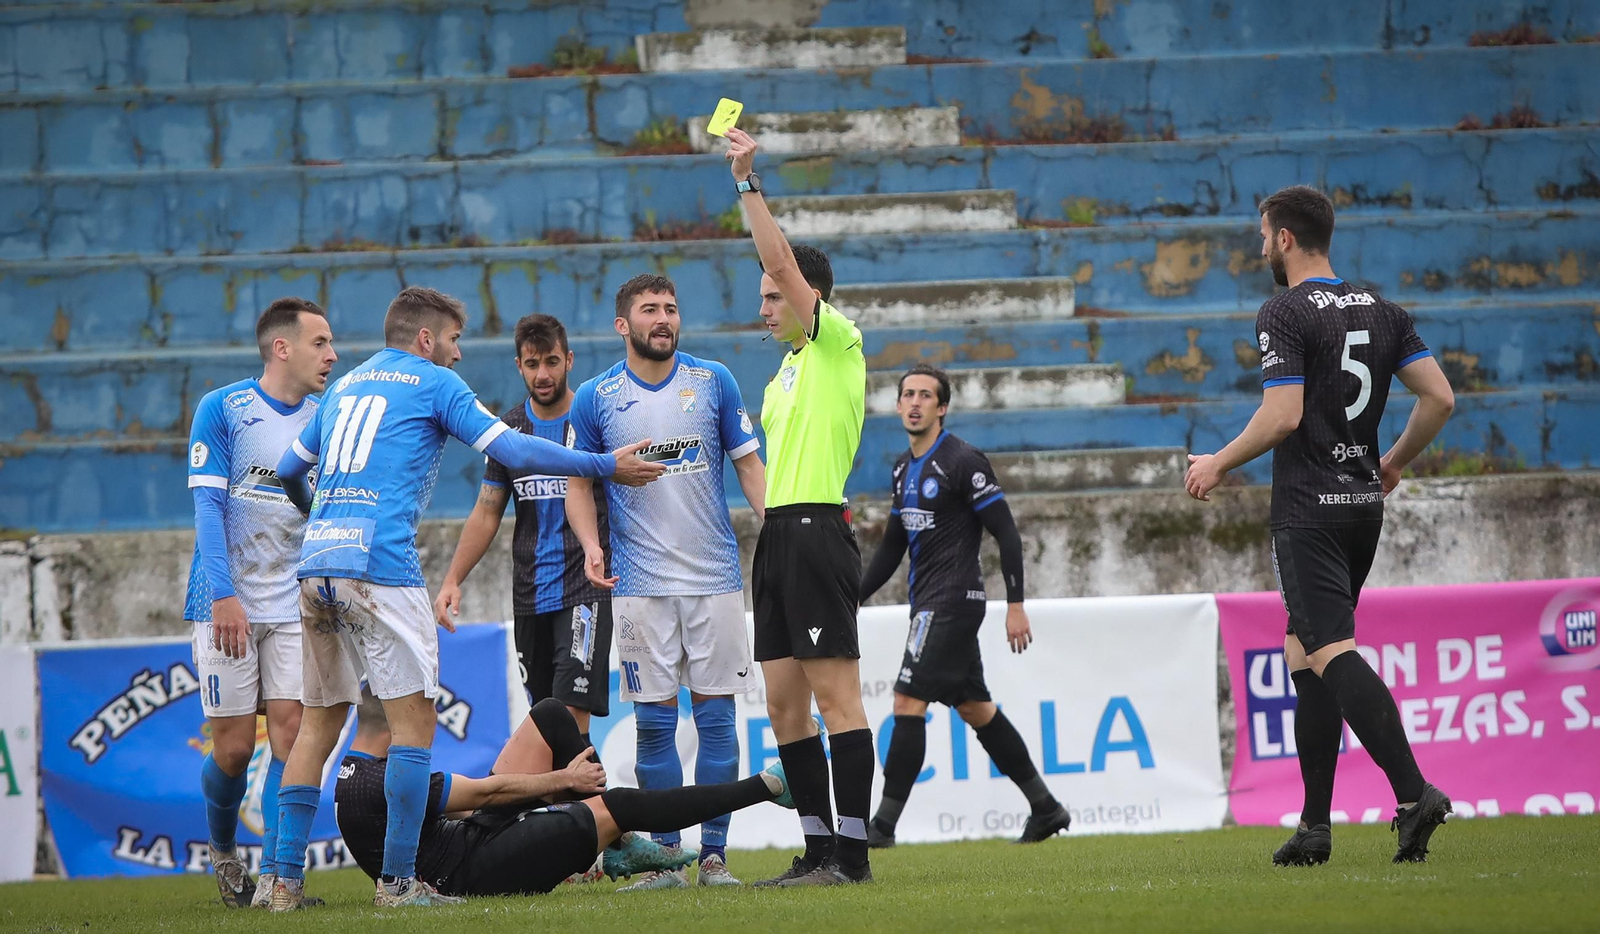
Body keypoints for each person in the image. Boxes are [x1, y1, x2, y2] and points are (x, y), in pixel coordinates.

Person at [267, 286, 666, 911]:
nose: (457, 354)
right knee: (413, 727)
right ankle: (400, 884)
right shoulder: (433, 381)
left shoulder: (344, 386)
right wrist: (602, 464)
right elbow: (513, 449)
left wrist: (320, 516)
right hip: (379, 566)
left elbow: (289, 470)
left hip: (316, 564)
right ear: (427, 339)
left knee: (318, 725)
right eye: (453, 340)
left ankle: (283, 883)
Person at [1184, 185, 1457, 866]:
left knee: (1331, 650)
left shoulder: (1283, 310)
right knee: (1304, 655)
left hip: (1308, 509)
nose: (1261, 248)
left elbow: (1283, 416)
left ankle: (1413, 794)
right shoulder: (1384, 310)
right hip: (1362, 506)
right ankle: (1314, 827)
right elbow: (1440, 397)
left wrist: (1217, 463)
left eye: (1262, 235)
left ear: (1283, 238)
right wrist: (1394, 462)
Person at [565, 274, 767, 889]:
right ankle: (667, 858)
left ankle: (714, 858)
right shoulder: (596, 398)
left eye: (671, 309)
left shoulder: (713, 381)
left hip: (714, 579)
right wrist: (591, 544)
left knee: (717, 722)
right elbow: (578, 482)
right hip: (639, 585)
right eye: (650, 309)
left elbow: (750, 464)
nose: (663, 319)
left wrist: (779, 526)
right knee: (653, 726)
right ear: (622, 325)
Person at [724, 127, 874, 886]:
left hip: (819, 530)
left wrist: (747, 184)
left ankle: (854, 856)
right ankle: (817, 850)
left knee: (837, 701)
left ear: (808, 295)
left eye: (772, 294)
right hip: (780, 537)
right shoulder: (782, 375)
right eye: (760, 297)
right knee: (784, 706)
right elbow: (768, 472)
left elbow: (781, 259)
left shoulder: (836, 343)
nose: (764, 305)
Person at [858, 364, 1072, 848]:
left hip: (952, 603)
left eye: (925, 396)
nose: (915, 403)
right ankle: (1045, 807)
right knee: (977, 709)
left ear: (942, 408)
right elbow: (892, 547)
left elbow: (1007, 532)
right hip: (928, 603)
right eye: (908, 395)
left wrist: (1015, 604)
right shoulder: (902, 468)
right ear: (897, 405)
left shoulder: (962, 460)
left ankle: (883, 828)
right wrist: (852, 597)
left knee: (906, 701)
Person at [334, 691, 794, 898]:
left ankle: (619, 845)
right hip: (472, 873)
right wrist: (563, 781)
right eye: (424, 712)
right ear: (398, 718)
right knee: (620, 805)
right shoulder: (386, 779)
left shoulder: (356, 771)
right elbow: (486, 794)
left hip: (464, 842)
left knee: (552, 714)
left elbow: (468, 805)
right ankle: (768, 786)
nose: (430, 723)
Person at [183, 297, 336, 908]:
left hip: (296, 601)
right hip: (228, 599)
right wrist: (224, 594)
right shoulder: (223, 409)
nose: (331, 355)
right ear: (282, 347)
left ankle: (276, 878)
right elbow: (208, 506)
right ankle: (224, 853)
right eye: (320, 343)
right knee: (233, 749)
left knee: (292, 735)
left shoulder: (326, 417)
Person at [434, 314, 614, 742]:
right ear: (519, 365)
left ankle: (582, 789)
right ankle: (577, 786)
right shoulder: (508, 431)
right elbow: (487, 512)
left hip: (585, 591)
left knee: (571, 714)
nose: (543, 374)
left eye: (552, 362)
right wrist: (453, 579)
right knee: (546, 724)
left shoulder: (595, 421)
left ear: (569, 360)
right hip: (530, 594)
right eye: (532, 364)